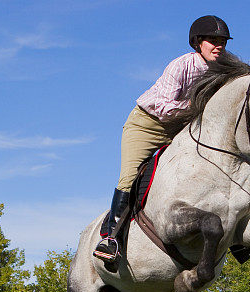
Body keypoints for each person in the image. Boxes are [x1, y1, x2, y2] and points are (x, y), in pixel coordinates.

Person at [93, 15, 232, 270]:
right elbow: (166, 108)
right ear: (197, 43)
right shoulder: (181, 65)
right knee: (130, 177)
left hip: (181, 130)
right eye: (212, 40)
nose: (218, 45)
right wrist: (199, 106)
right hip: (147, 125)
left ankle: (239, 237)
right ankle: (110, 239)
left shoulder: (223, 70)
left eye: (222, 41)